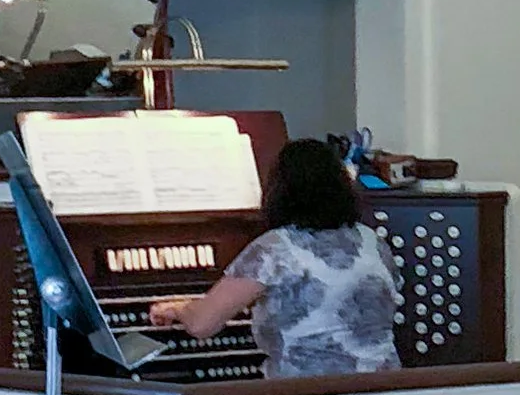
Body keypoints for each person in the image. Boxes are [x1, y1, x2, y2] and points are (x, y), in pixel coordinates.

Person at [145, 137, 400, 380]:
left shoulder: (276, 248)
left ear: (279, 190)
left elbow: (202, 324)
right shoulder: (372, 241)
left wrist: (177, 309)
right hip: (383, 391)